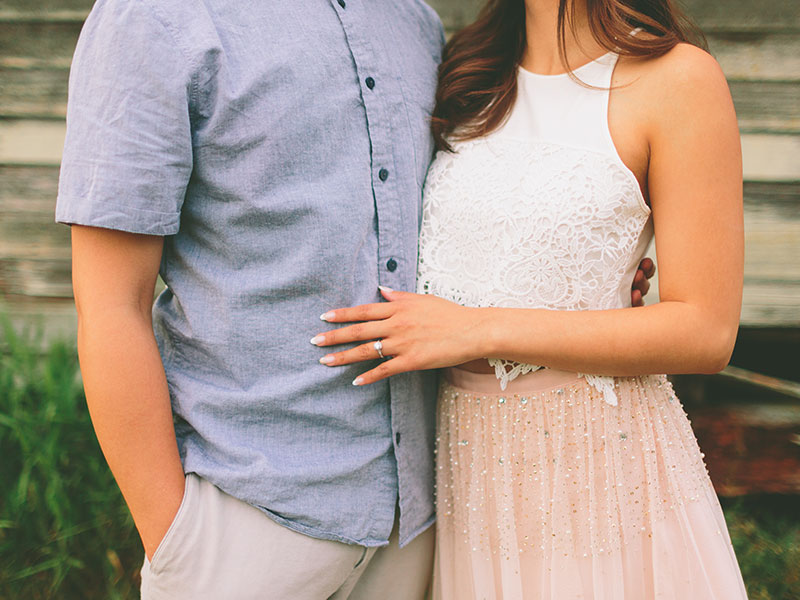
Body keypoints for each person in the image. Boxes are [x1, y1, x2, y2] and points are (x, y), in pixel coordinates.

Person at [55, 0, 654, 597]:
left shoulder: (413, 21)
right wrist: (174, 535)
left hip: (416, 525)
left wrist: (571, 277)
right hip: (245, 515)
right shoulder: (156, 18)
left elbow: (450, 218)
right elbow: (110, 304)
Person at [311, 0, 748, 598]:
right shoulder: (467, 70)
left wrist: (480, 328)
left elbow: (706, 332)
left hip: (602, 471)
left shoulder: (677, 78)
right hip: (471, 478)